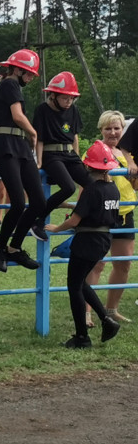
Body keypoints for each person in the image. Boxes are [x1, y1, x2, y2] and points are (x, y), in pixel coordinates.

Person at [44, 141, 121, 349]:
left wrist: (55, 229)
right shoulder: (112, 189)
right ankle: (107, 320)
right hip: (103, 240)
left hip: (86, 241)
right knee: (81, 283)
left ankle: (82, 337)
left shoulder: (91, 189)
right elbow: (96, 209)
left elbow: (74, 221)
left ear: (87, 166)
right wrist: (70, 205)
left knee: (74, 286)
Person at [0, 49, 44, 272]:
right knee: (19, 202)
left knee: (38, 202)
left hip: (20, 148)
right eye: (29, 73)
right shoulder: (9, 84)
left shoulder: (12, 86)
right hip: (7, 145)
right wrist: (34, 133)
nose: (30, 78)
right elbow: (18, 116)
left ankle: (14, 248)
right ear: (18, 69)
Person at [85, 111, 137, 325]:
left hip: (125, 212)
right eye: (108, 128)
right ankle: (86, 311)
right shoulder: (95, 151)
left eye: (117, 128)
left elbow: (134, 185)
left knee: (124, 264)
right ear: (101, 130)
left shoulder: (129, 154)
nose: (113, 132)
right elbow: (86, 184)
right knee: (96, 264)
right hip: (102, 213)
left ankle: (111, 309)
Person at [33, 72, 91, 242]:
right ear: (53, 95)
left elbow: (75, 136)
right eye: (65, 98)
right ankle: (39, 220)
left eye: (72, 98)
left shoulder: (73, 109)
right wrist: (39, 161)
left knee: (93, 184)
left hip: (69, 154)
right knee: (68, 187)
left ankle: (78, 217)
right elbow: (39, 138)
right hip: (52, 155)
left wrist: (78, 158)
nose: (69, 102)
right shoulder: (42, 110)